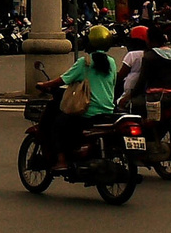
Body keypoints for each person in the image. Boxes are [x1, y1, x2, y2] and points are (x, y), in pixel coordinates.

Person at [38, 25, 121, 172]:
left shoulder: (86, 62)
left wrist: (44, 85)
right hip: (108, 110)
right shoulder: (112, 62)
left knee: (57, 125)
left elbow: (63, 80)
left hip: (88, 111)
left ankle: (62, 161)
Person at [115, 25, 148, 113]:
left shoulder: (132, 55)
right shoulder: (149, 53)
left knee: (118, 104)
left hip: (131, 86)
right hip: (146, 87)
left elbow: (122, 74)